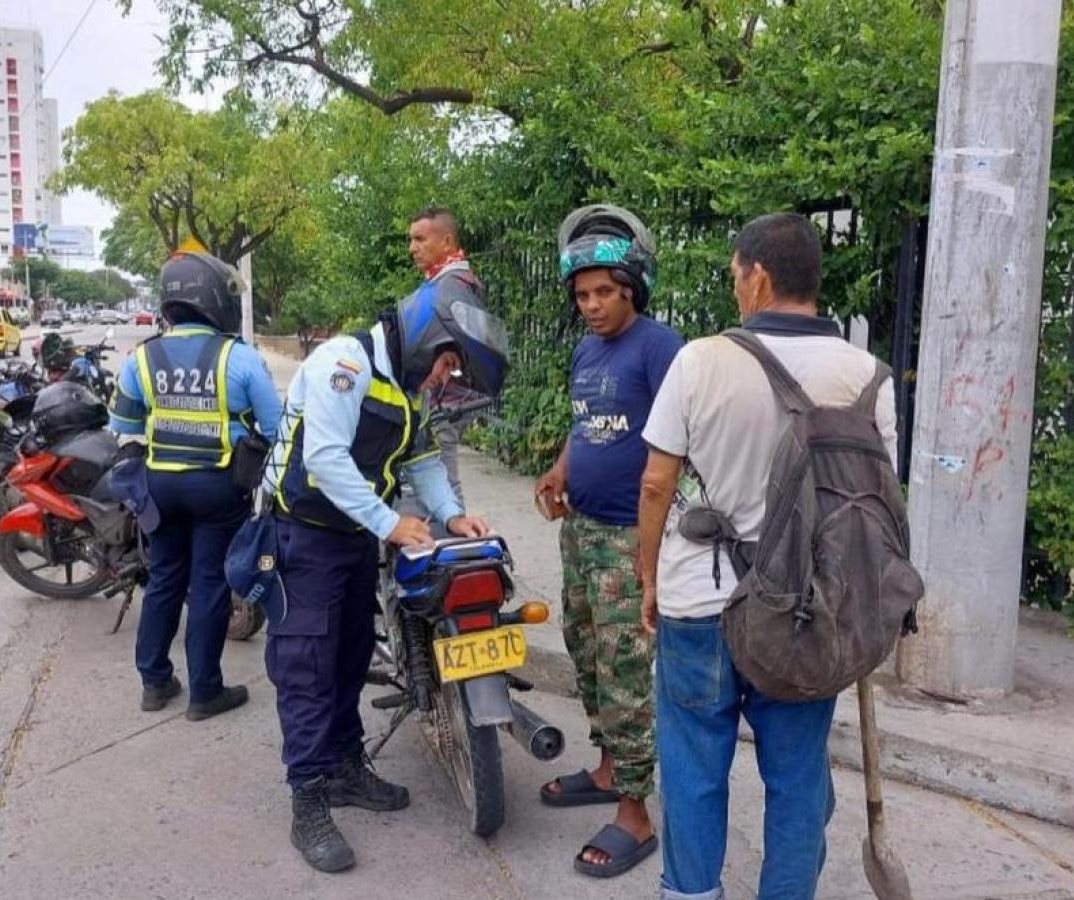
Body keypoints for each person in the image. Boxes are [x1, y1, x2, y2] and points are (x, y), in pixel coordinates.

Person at [637, 213, 897, 900]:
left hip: (702, 601)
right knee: (798, 777)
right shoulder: (869, 377)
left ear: (757, 276)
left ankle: (691, 893)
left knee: (693, 769)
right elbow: (875, 506)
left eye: (734, 276)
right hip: (810, 611)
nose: (735, 290)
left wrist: (646, 574)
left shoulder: (700, 359)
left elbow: (658, 481)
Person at [262, 272, 509, 874]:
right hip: (301, 534)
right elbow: (323, 459)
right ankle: (309, 802)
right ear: (427, 338)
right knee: (307, 669)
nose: (446, 377)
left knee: (350, 656)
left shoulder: (405, 384)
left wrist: (452, 516)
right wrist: (390, 523)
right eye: (449, 362)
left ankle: (346, 768)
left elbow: (421, 455)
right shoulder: (341, 365)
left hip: (351, 535)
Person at [534, 205, 682, 878]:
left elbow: (680, 440)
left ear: (632, 290)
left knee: (625, 673)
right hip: (582, 529)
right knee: (588, 653)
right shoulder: (586, 349)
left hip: (629, 538)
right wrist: (562, 468)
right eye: (582, 294)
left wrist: (655, 559)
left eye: (604, 293)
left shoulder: (659, 347)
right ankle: (606, 766)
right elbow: (585, 420)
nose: (591, 306)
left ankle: (635, 812)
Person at [109, 251, 282, 721]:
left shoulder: (141, 359)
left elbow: (123, 425)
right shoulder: (240, 359)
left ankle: (155, 682)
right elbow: (276, 426)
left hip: (160, 487)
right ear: (212, 300)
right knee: (208, 584)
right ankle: (205, 692)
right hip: (219, 487)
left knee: (164, 579)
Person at [407, 207, 484, 506]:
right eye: (411, 240)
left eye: (420, 239)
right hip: (450, 398)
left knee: (443, 480)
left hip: (446, 400)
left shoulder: (452, 285)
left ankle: (459, 542)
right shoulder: (452, 280)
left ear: (447, 242)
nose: (412, 248)